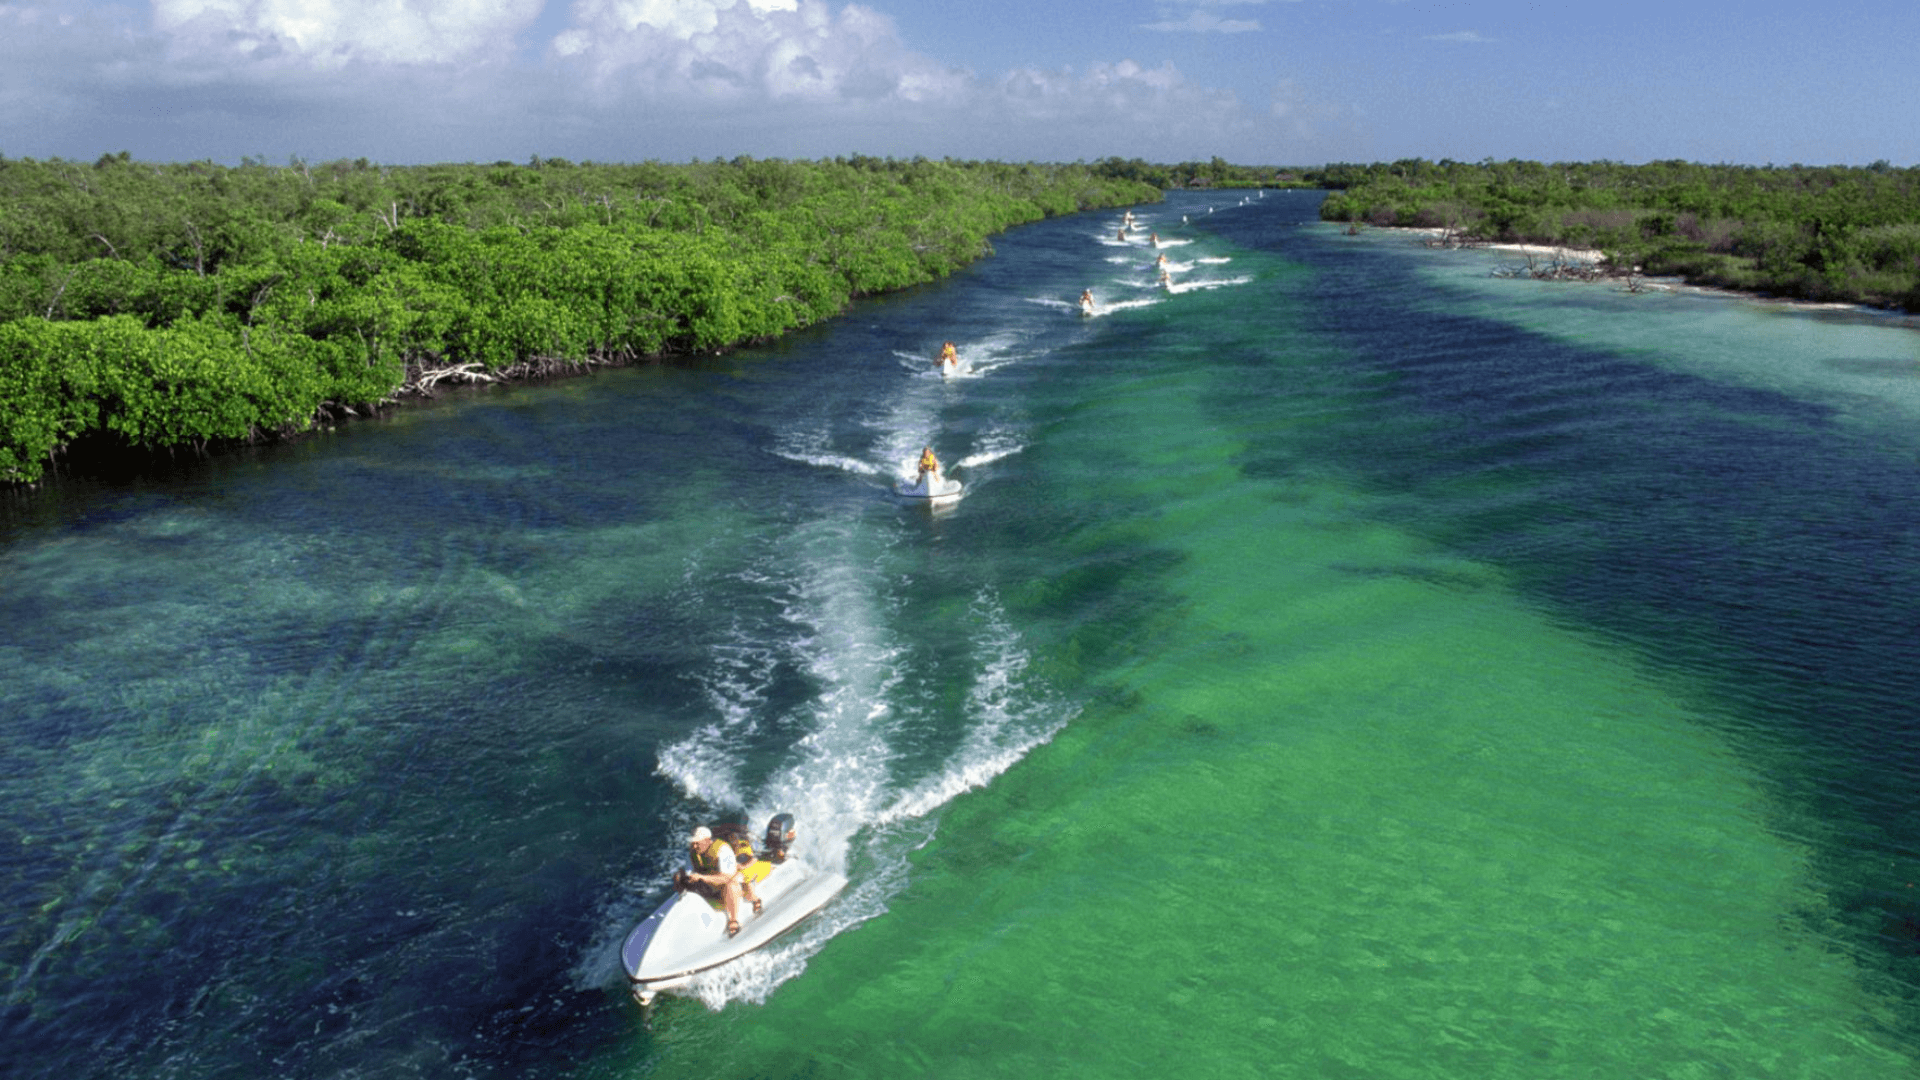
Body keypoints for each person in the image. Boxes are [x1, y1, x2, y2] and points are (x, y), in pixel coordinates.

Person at [678, 825, 762, 937]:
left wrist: (702, 878)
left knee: (731, 884)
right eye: (693, 843)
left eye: (697, 843)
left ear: (707, 841)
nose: (694, 845)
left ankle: (733, 920)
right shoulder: (695, 852)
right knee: (679, 876)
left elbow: (727, 878)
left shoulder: (723, 850)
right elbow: (699, 869)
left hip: (727, 885)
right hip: (710, 884)